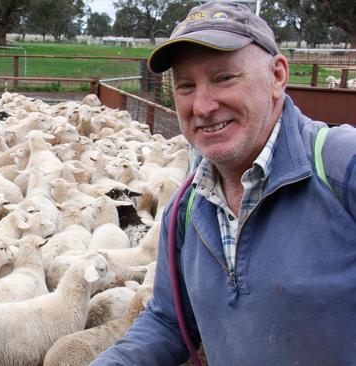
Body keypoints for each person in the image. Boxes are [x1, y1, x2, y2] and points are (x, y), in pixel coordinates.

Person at [92, 1, 356, 365]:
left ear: (277, 76)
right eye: (186, 85)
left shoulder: (342, 169)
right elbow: (170, 322)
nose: (202, 106)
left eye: (224, 78)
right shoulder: (184, 212)